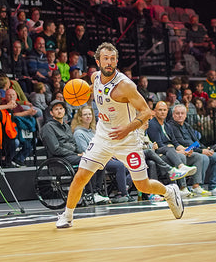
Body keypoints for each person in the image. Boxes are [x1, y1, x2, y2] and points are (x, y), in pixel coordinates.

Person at [55, 43, 185, 229]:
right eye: (106, 59)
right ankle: (67, 216)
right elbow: (96, 88)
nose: (109, 62)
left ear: (116, 60)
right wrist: (83, 93)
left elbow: (146, 112)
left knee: (143, 185)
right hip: (103, 137)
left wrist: (126, 129)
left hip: (128, 140)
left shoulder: (125, 86)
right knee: (81, 176)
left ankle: (169, 192)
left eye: (113, 58)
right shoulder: (95, 77)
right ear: (98, 61)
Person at [167, 104, 216, 196]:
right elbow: (182, 143)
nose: (180, 115)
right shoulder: (170, 126)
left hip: (196, 150)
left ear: (186, 115)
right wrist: (202, 151)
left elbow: (196, 141)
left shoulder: (187, 125)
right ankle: (197, 186)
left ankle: (213, 187)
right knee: (203, 157)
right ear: (173, 114)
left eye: (182, 113)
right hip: (186, 152)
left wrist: (205, 149)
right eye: (177, 113)